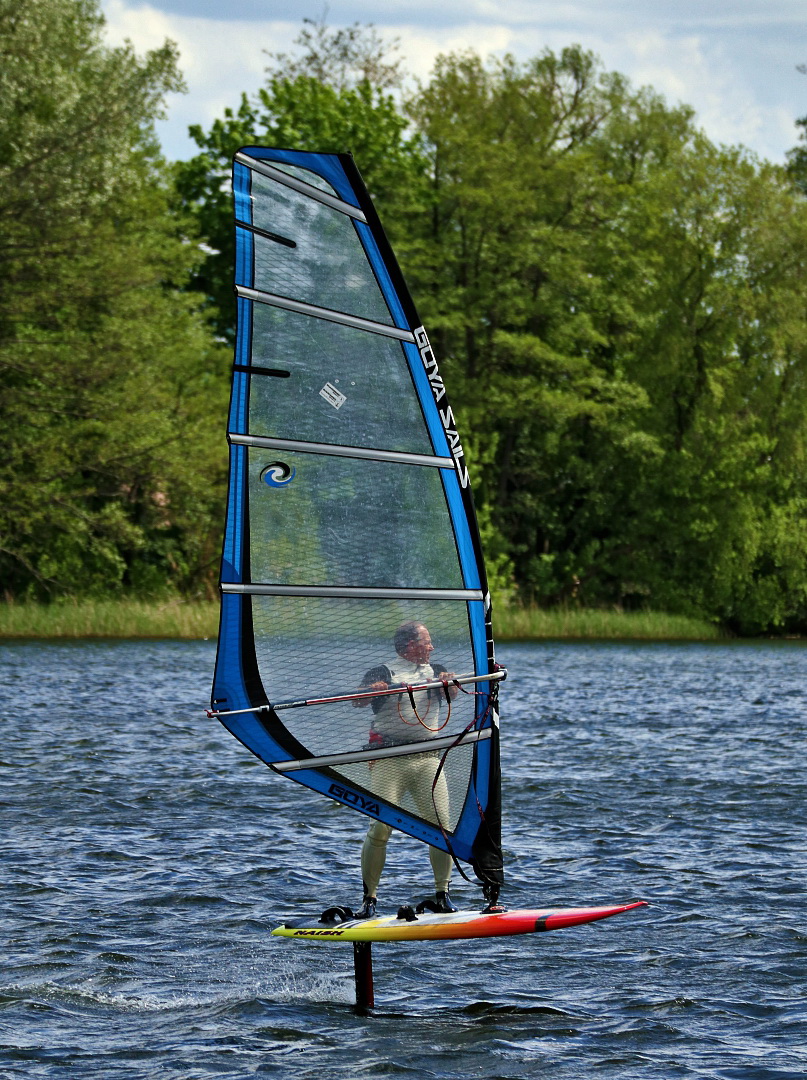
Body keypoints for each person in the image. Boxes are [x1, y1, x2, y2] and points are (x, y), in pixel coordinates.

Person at [352, 621, 460, 918]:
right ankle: (369, 900)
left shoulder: (437, 669)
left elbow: (451, 697)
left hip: (427, 758)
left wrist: (449, 684)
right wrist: (372, 691)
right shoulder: (381, 672)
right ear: (409, 646)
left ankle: (443, 894)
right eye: (427, 641)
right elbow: (357, 701)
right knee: (381, 827)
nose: (432, 647)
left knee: (441, 826)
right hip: (389, 759)